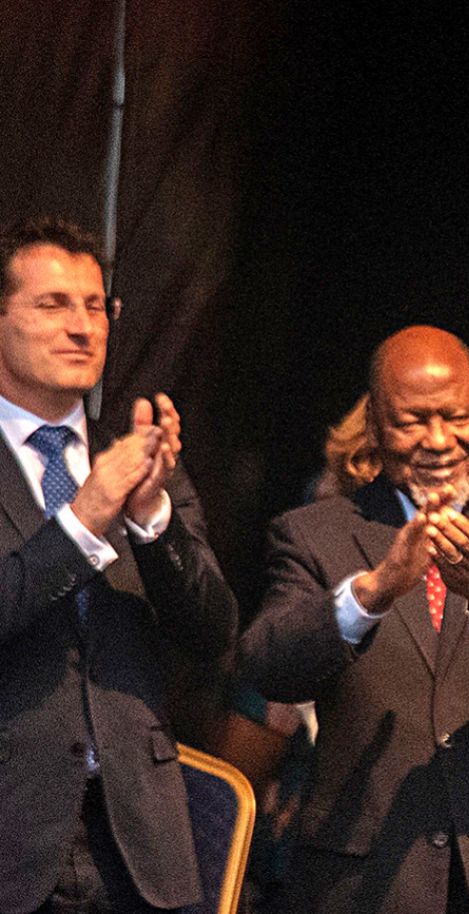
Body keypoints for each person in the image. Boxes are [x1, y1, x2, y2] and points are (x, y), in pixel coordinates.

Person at [239, 326, 469, 914]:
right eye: (411, 422)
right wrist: (371, 593)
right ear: (376, 426)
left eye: (456, 416)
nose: (438, 441)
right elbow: (269, 666)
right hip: (370, 878)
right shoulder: (315, 534)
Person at [0, 216, 237, 914]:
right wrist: (83, 520)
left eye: (96, 306)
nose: (83, 327)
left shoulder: (138, 462)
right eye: (54, 304)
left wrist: (149, 518)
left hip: (140, 848)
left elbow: (214, 634)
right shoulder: (106, 478)